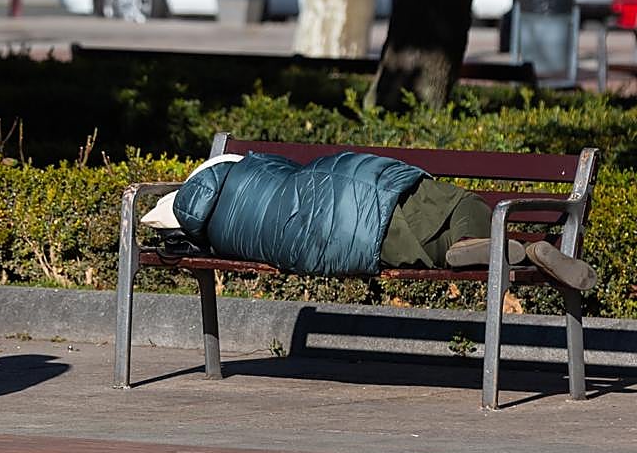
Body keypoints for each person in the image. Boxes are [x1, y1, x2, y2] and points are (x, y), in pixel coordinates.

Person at [143, 151, 597, 290]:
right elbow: (287, 171)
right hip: (356, 190)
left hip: (347, 241)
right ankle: (493, 242)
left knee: (416, 244)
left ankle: (479, 248)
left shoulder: (219, 235)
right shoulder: (245, 170)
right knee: (458, 202)